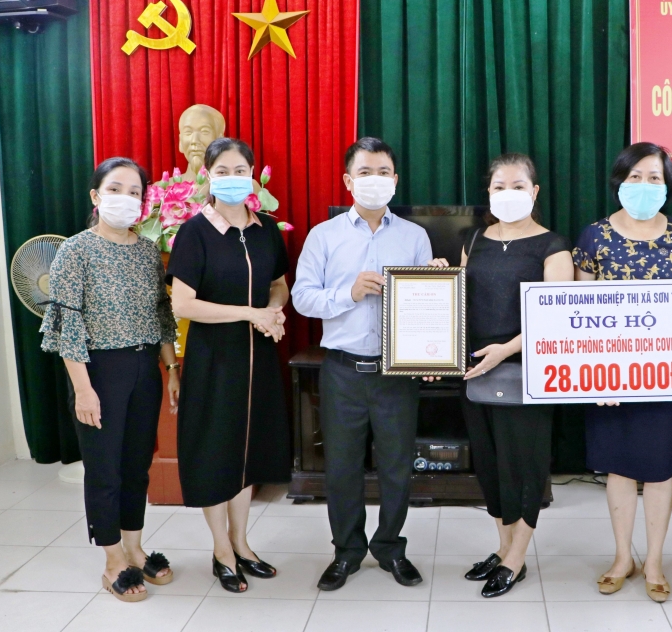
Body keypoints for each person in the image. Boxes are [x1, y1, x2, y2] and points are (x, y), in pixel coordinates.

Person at [293, 137, 446, 592]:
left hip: (395, 373)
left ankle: (390, 548)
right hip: (342, 370)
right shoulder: (324, 236)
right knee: (342, 468)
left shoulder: (414, 236)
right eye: (364, 172)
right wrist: (350, 293)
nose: (374, 180)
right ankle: (347, 552)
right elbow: (302, 298)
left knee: (397, 466)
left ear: (395, 180)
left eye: (382, 172)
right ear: (348, 181)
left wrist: (436, 289)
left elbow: (427, 302)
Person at [574, 142, 672, 603]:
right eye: (636, 177)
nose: (645, 185)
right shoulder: (594, 236)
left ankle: (653, 560)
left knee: (660, 468)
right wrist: (593, 369)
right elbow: (579, 307)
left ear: (668, 185)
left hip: (668, 371)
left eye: (655, 178)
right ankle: (621, 558)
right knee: (617, 465)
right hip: (610, 374)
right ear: (620, 181)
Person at [41, 157, 178, 602]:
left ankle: (135, 548)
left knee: (137, 465)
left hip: (145, 368)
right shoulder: (75, 251)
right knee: (105, 470)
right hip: (98, 371)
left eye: (135, 192)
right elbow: (67, 326)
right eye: (116, 189)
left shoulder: (147, 251)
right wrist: (83, 390)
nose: (126, 198)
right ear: (96, 196)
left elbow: (162, 314)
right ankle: (113, 560)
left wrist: (171, 368)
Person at [167, 137, 291, 594]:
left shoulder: (266, 230)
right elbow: (183, 304)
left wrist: (273, 311)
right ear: (208, 176)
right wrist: (249, 313)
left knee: (246, 452)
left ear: (253, 175)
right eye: (222, 171)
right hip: (213, 360)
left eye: (241, 170)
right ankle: (221, 549)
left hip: (258, 359)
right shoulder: (194, 232)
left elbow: (279, 285)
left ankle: (242, 543)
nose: (233, 178)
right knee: (216, 452)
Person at [459, 153, 573, 598]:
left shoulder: (552, 245)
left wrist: (505, 350)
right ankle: (504, 548)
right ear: (488, 193)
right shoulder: (473, 239)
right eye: (499, 186)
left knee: (523, 466)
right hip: (476, 370)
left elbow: (555, 315)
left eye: (518, 185)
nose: (508, 193)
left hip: (528, 370)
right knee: (489, 465)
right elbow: (459, 302)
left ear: (534, 191)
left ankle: (515, 558)